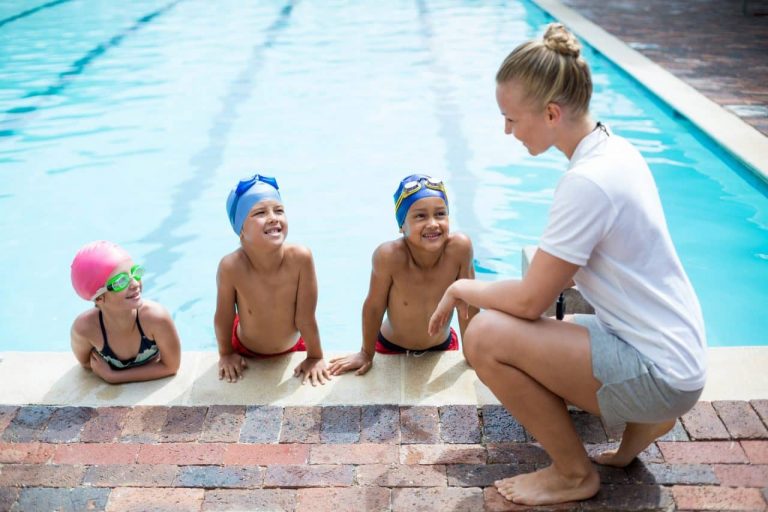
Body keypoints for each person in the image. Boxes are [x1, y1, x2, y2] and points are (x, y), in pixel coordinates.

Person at [428, 24, 707, 506]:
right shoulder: (613, 149)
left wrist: (459, 289)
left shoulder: (586, 183)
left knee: (485, 337)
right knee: (545, 327)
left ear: (552, 113)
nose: (507, 130)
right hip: (677, 352)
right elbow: (565, 276)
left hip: (660, 370)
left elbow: (532, 301)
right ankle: (641, 427)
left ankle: (575, 474)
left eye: (511, 118)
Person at [328, 174, 477, 376]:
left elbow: (469, 304)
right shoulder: (389, 256)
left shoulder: (460, 248)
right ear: (402, 225)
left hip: (442, 344)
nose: (433, 223)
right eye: (420, 216)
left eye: (440, 214)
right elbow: (374, 306)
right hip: (391, 347)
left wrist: (473, 350)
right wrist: (365, 353)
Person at [215, 173, 330, 386]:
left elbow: (306, 316)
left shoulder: (300, 258)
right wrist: (226, 353)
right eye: (260, 212)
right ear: (240, 230)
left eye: (279, 210)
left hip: (294, 345)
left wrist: (315, 356)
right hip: (245, 347)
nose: (273, 217)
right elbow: (224, 317)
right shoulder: (231, 267)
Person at [70, 240, 181, 384]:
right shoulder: (85, 329)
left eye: (135, 273)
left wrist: (114, 377)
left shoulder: (156, 318)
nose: (135, 284)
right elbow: (87, 364)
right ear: (99, 298)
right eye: (121, 281)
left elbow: (171, 366)